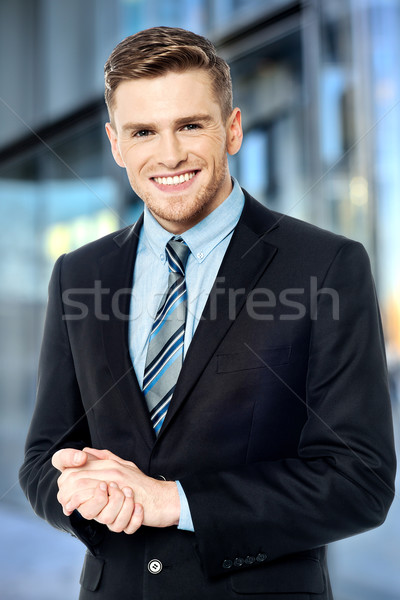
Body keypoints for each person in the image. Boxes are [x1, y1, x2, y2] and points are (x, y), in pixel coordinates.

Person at [20, 26, 396, 600]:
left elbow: (360, 481)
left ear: (233, 129)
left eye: (190, 125)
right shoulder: (80, 274)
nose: (168, 155)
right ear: (116, 144)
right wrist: (82, 494)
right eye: (143, 131)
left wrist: (173, 501)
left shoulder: (326, 266)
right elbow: (43, 457)